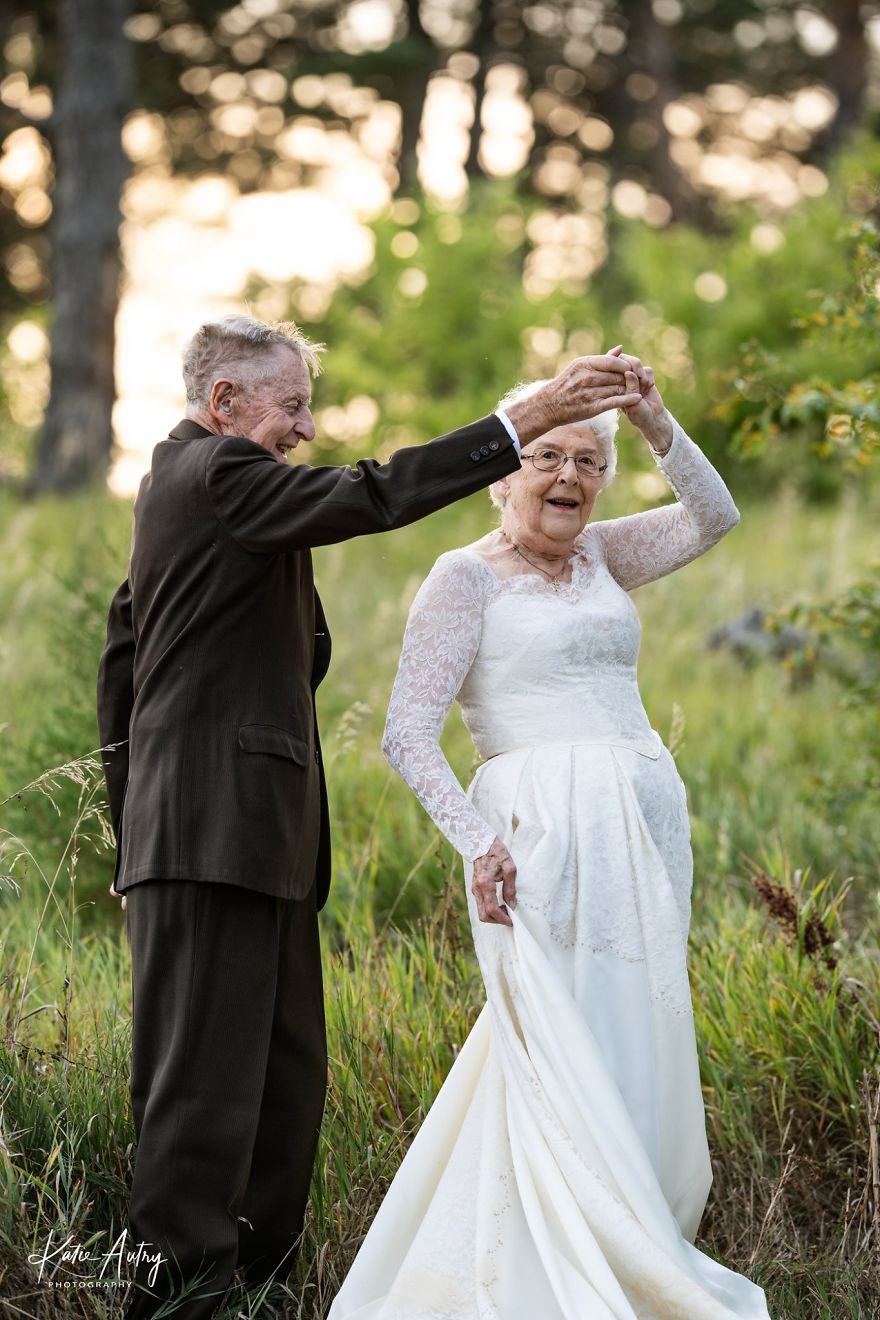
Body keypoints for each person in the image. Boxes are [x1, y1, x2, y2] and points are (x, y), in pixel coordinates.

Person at [96, 312, 646, 1319]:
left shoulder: (198, 497)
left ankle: (258, 1295)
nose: (306, 429)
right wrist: (531, 414)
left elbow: (122, 650)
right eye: (292, 406)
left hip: (260, 842)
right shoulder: (209, 474)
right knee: (199, 1100)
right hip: (206, 836)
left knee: (282, 1086)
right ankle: (176, 1305)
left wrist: (136, 823)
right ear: (225, 404)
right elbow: (376, 493)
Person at [328, 354, 773, 1317]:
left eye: (586, 462)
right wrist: (476, 843)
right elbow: (408, 731)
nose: (568, 477)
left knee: (634, 1025)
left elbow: (714, 517)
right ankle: (541, 1257)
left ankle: (637, 1240)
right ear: (500, 474)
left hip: (644, 822)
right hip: (537, 842)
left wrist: (655, 420)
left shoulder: (607, 555)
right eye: (545, 456)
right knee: (552, 1042)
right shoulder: (462, 579)